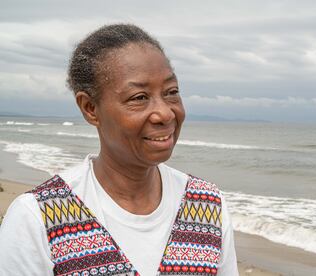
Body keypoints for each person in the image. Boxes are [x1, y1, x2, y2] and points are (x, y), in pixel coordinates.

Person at [0, 24, 238, 276]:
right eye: (139, 97)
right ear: (90, 108)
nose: (165, 113)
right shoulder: (40, 217)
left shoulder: (208, 207)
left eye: (171, 92)